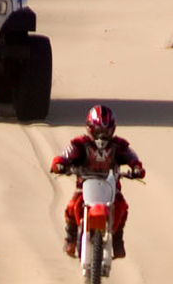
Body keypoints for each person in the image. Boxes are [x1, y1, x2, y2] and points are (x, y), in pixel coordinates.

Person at [50, 105, 145, 260]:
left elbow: (132, 157)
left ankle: (117, 239)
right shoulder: (80, 144)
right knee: (71, 207)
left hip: (111, 188)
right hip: (85, 186)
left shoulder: (119, 145)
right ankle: (71, 238)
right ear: (90, 128)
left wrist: (136, 168)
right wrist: (59, 164)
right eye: (98, 131)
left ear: (112, 130)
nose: (102, 136)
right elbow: (65, 155)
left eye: (106, 132)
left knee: (122, 207)